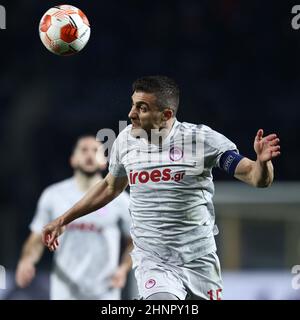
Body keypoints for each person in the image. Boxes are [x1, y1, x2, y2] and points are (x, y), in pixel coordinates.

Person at [42, 76, 280, 300]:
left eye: (142, 108)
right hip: (154, 261)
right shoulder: (124, 141)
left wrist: (262, 163)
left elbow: (255, 177)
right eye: (133, 105)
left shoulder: (201, 141)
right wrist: (63, 219)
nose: (131, 114)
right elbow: (109, 187)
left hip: (199, 259)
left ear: (166, 114)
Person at [15, 135, 133, 300]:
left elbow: (133, 242)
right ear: (72, 159)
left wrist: (123, 268)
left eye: (95, 151)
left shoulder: (120, 200)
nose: (90, 155)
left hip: (105, 290)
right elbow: (37, 236)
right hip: (64, 289)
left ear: (105, 161)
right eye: (84, 150)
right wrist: (27, 260)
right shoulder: (53, 195)